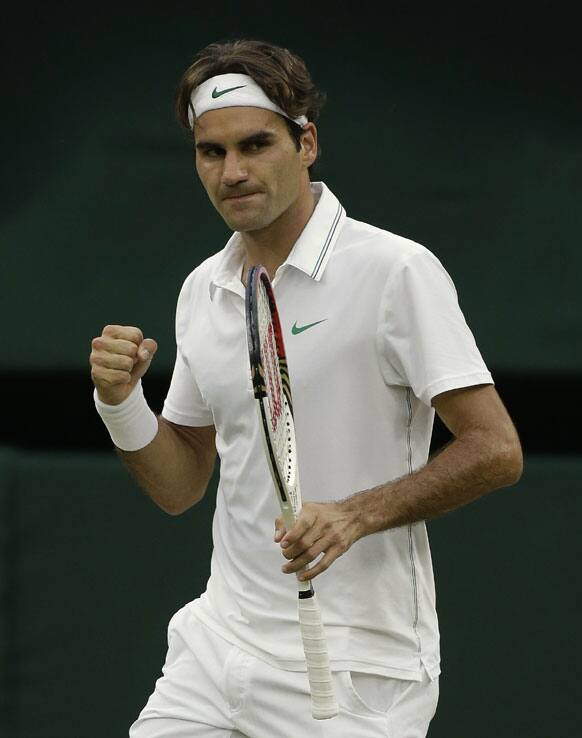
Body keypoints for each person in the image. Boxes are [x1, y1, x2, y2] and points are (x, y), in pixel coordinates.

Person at [90, 39, 523, 738]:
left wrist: (355, 513)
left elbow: (497, 449)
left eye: (255, 144)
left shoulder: (397, 271)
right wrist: (120, 404)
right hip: (217, 647)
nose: (233, 171)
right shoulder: (202, 289)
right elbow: (179, 486)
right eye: (212, 152)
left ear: (306, 143)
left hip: (357, 668)